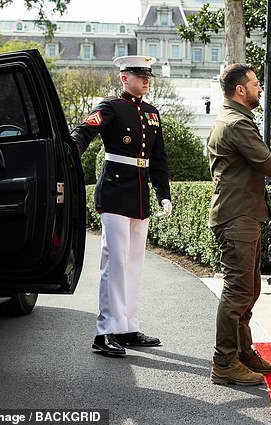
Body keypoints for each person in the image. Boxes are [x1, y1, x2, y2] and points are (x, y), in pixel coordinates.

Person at [207, 63, 271, 386]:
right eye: (255, 84)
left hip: (242, 214)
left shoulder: (233, 119)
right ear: (241, 90)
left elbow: (260, 161)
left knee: (249, 288)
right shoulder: (237, 123)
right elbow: (265, 161)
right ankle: (224, 361)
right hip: (237, 217)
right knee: (238, 290)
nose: (260, 89)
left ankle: (242, 352)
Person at [71, 55, 172, 357]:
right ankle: (105, 332)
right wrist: (69, 150)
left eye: (147, 76)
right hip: (115, 192)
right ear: (123, 78)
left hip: (139, 195)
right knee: (114, 264)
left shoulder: (152, 113)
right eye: (139, 76)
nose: (145, 81)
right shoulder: (111, 107)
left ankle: (126, 326)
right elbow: (84, 131)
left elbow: (159, 160)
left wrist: (163, 194)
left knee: (134, 265)